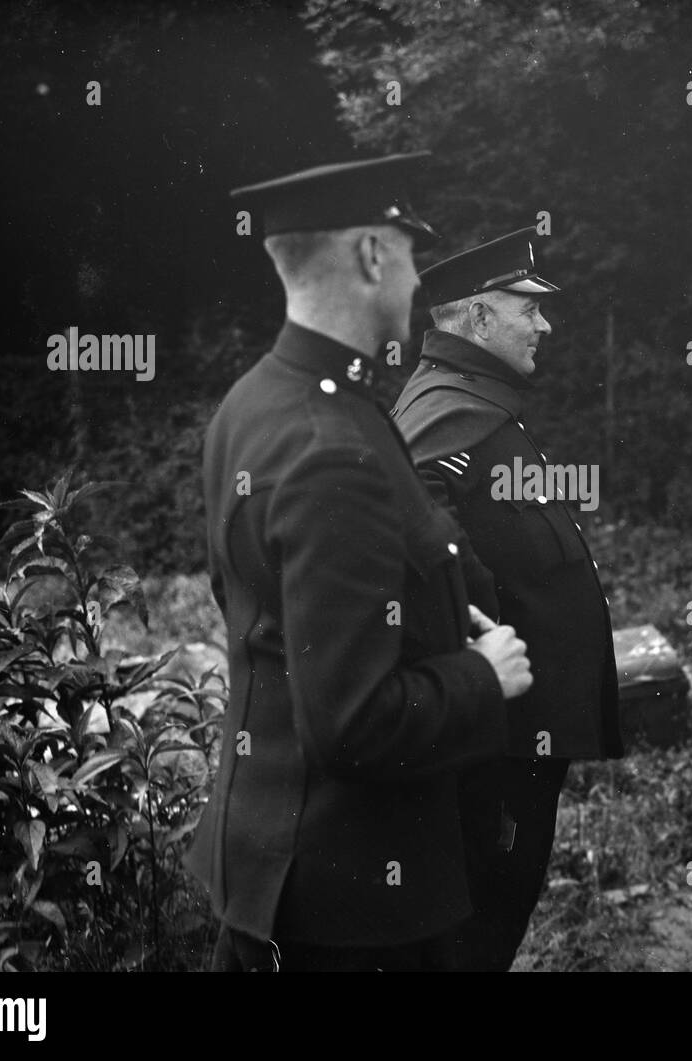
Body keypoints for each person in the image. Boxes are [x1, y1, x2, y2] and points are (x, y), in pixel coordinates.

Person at [185, 153, 533, 972]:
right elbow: (350, 721)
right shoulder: (329, 446)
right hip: (349, 912)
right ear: (374, 255)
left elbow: (261, 614)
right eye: (411, 253)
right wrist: (484, 674)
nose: (418, 281)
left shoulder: (258, 402)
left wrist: (436, 617)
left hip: (280, 871)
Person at [392, 226, 623, 970]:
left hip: (519, 734)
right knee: (476, 927)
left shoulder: (480, 401)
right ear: (479, 316)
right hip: (494, 738)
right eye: (530, 309)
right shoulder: (446, 408)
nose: (545, 324)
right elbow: (408, 531)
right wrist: (479, 634)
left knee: (496, 913)